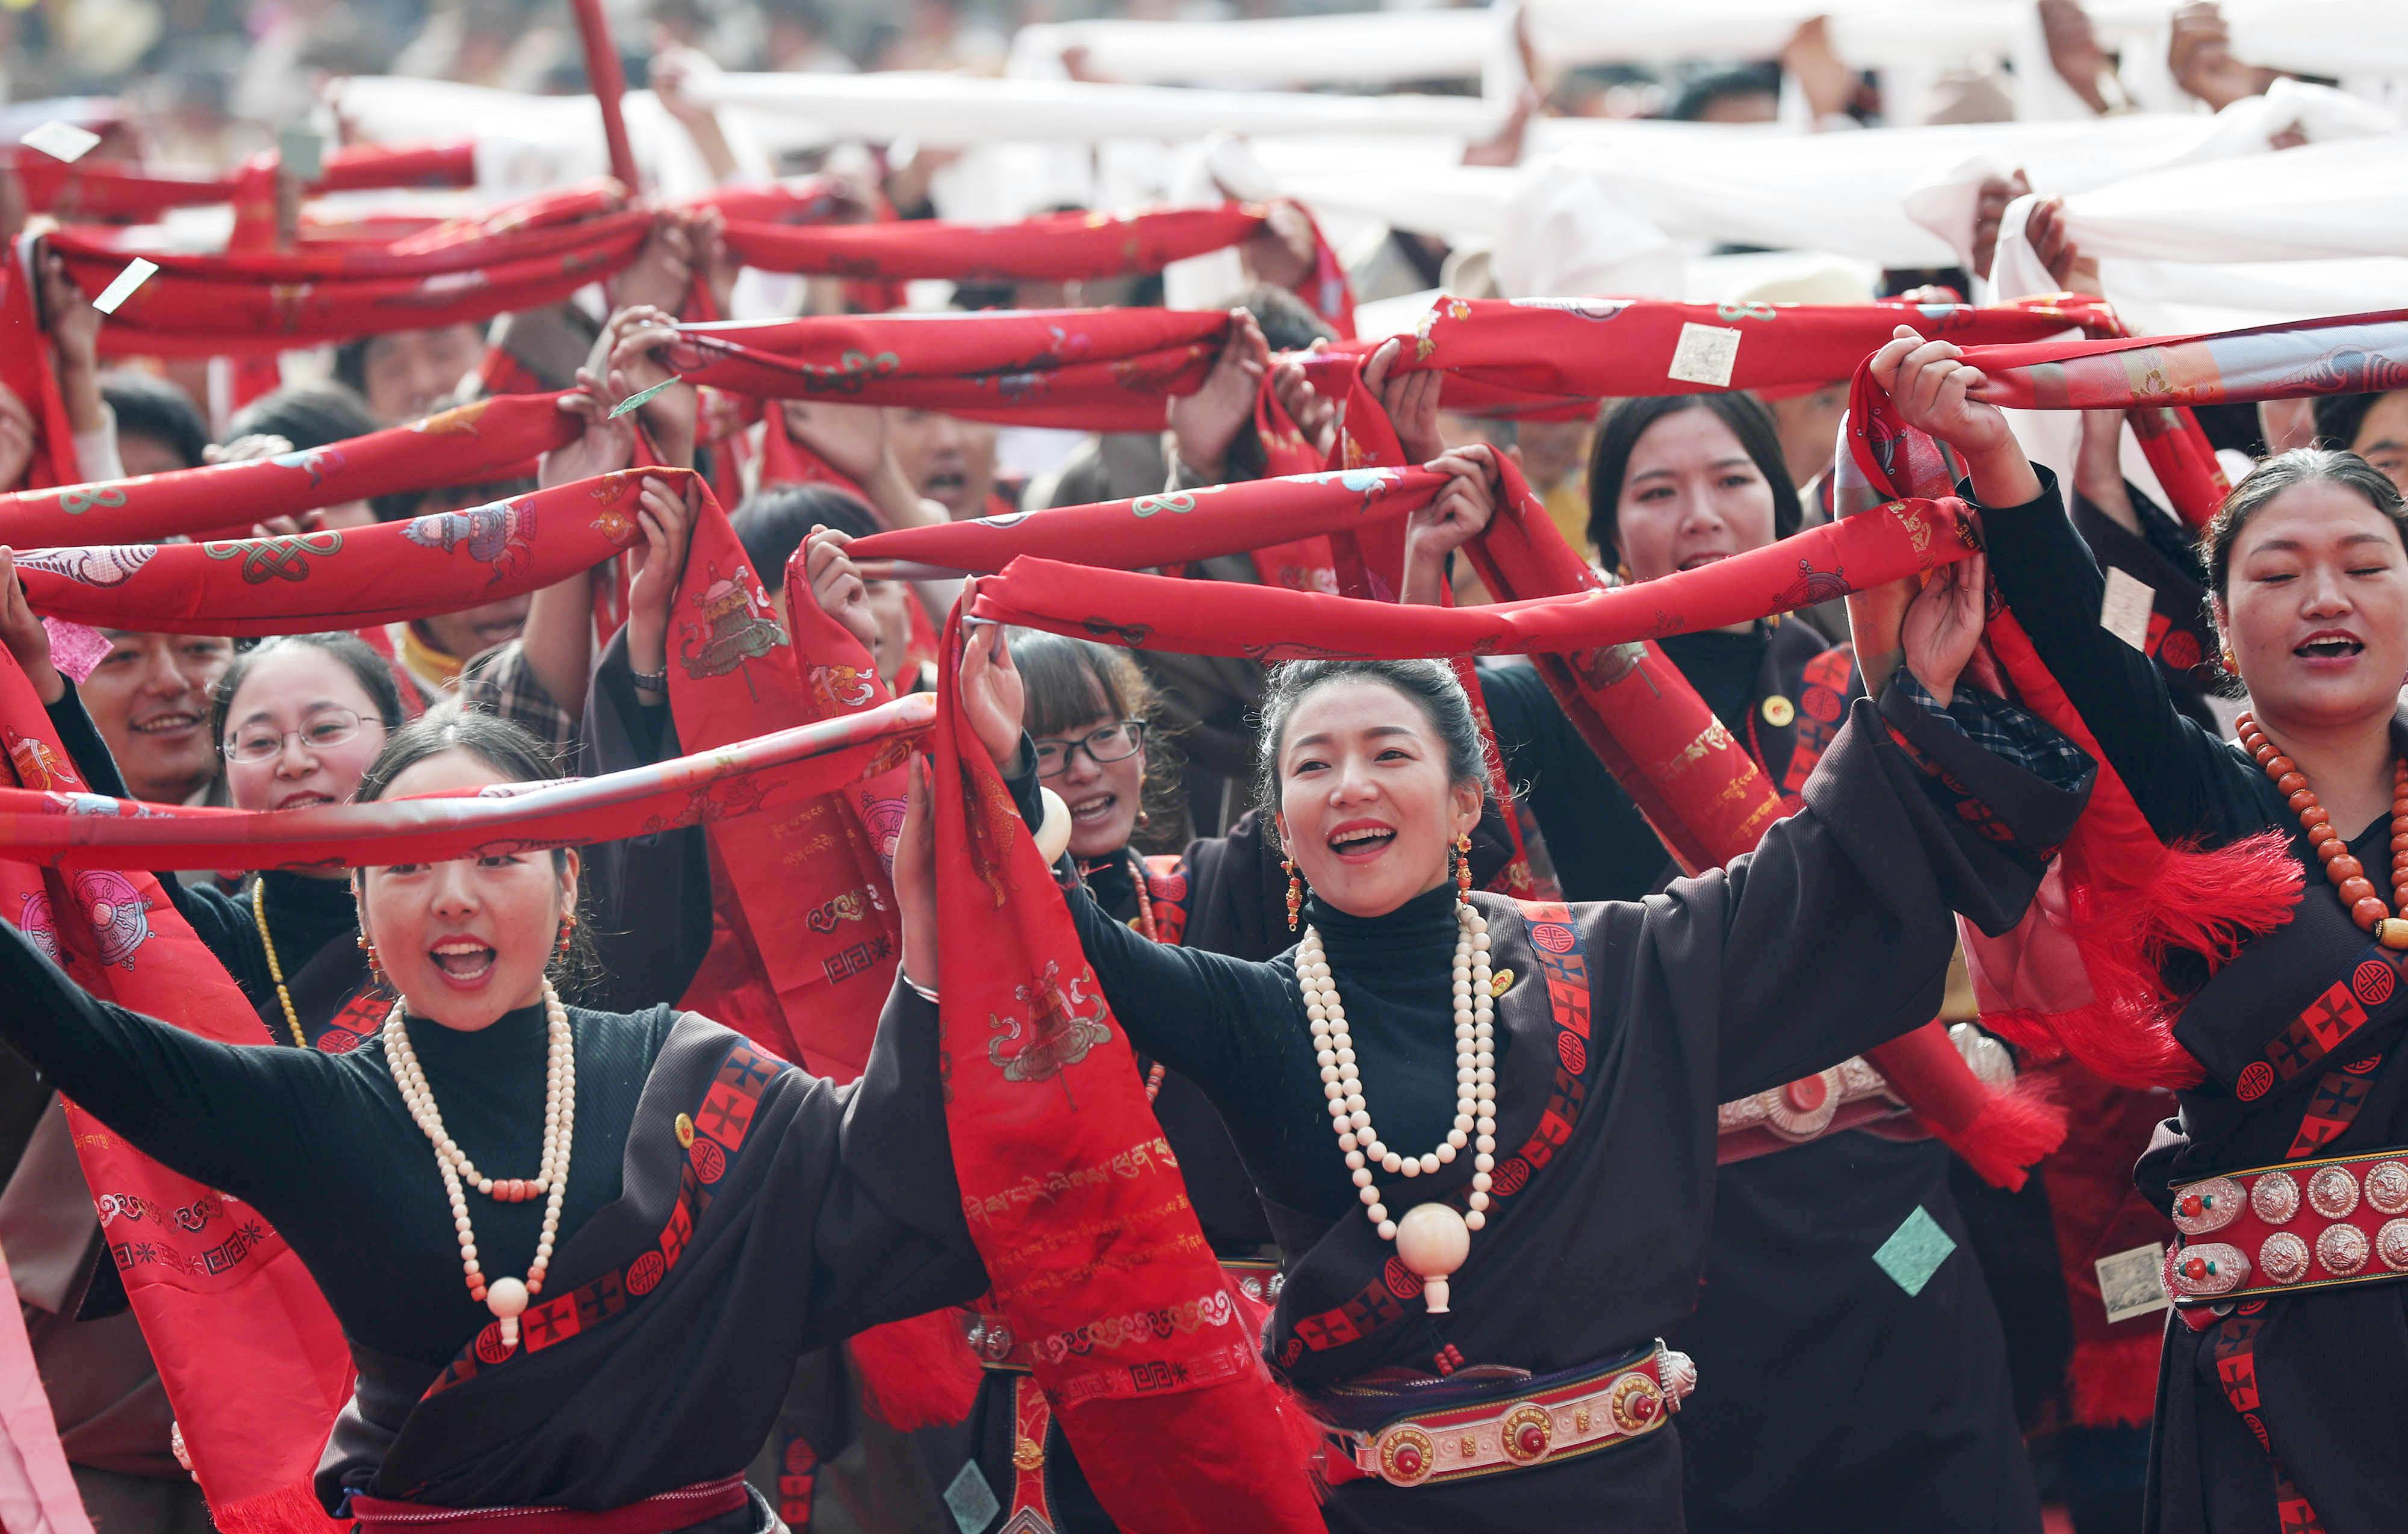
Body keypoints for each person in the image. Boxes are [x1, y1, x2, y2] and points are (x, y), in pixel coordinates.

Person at [908, 538, 2091, 1528]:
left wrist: (1905, 694)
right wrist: (1004, 757)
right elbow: (1054, 941)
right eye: (1312, 765)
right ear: (1279, 823)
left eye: (1388, 754)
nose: (1350, 785)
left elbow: (1810, 878)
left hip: (1612, 1495)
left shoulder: (1616, 963)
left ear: (1465, 798)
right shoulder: (1254, 1006)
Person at [0, 709, 985, 1530]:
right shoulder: (310, 1110)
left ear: (567, 889)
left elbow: (889, 1178)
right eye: (408, 865)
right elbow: (78, 1032)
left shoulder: (690, 1076)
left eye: (499, 856)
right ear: (361, 906)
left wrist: (936, 938)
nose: (454, 899)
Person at [1404, 399, 2043, 1532]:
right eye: (1656, 494)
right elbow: (1424, 771)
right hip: (1691, 1212)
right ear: (1597, 541)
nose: (1701, 517)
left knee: (1944, 1467)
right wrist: (1428, 575)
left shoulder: (1877, 657)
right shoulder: (1545, 694)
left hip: (1889, 1197)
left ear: (1782, 498)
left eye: (1732, 480)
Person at [1876, 323, 2408, 1534]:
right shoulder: (2201, 806)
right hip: (2276, 1375)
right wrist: (1995, 458)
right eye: (2273, 572)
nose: (2320, 596)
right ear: (2217, 625)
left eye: (2362, 564)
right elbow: (2087, 643)